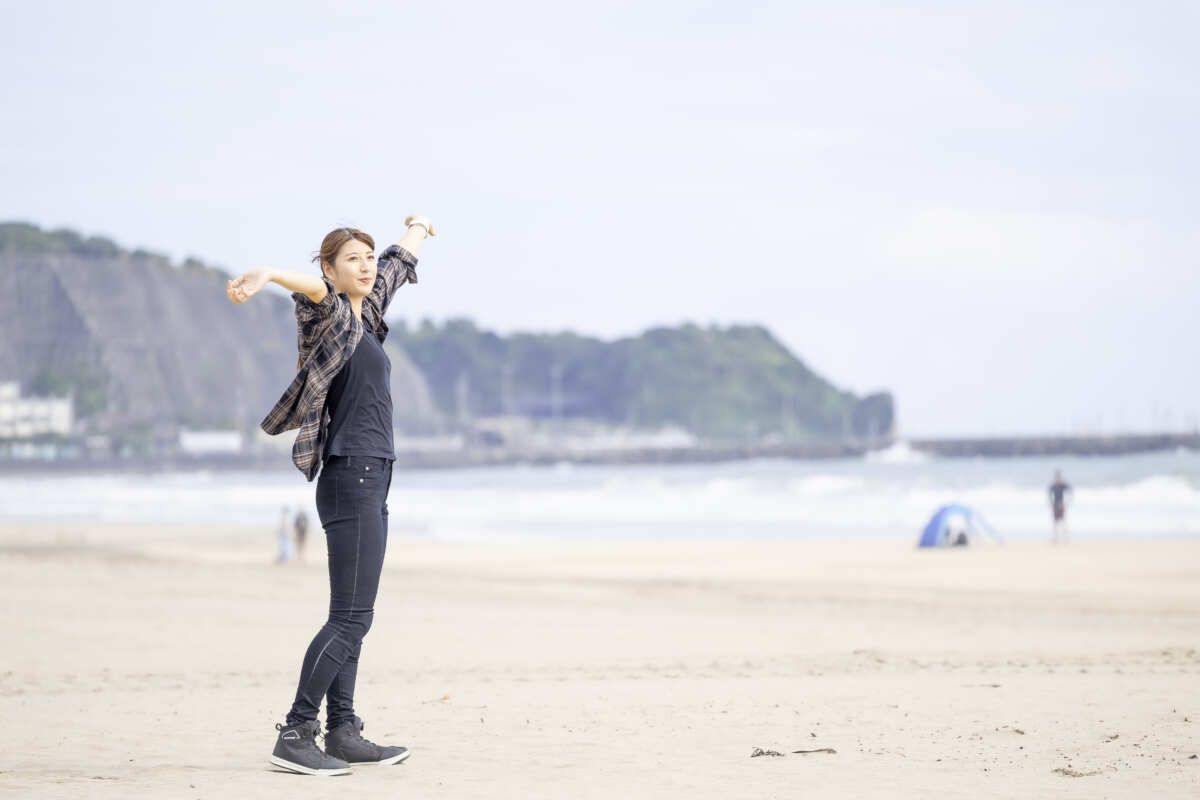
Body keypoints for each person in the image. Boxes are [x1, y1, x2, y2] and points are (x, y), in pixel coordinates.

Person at [227, 215, 435, 776]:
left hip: (374, 474)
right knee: (351, 618)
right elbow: (316, 291)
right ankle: (296, 732)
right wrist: (270, 274)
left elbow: (397, 265)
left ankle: (342, 730)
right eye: (352, 259)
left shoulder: (366, 314)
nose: (366, 266)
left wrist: (417, 226)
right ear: (329, 268)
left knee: (351, 615)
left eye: (367, 257)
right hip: (352, 475)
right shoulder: (329, 316)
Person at [1048, 470, 1072, 545]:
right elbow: (1049, 495)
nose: (1057, 478)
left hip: (1061, 504)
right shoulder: (1053, 485)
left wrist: (1066, 503)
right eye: (1056, 477)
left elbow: (1070, 491)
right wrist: (1051, 504)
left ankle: (1066, 537)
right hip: (1055, 505)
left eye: (1058, 477)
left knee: (1063, 522)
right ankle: (1055, 538)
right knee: (1055, 522)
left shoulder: (1062, 485)